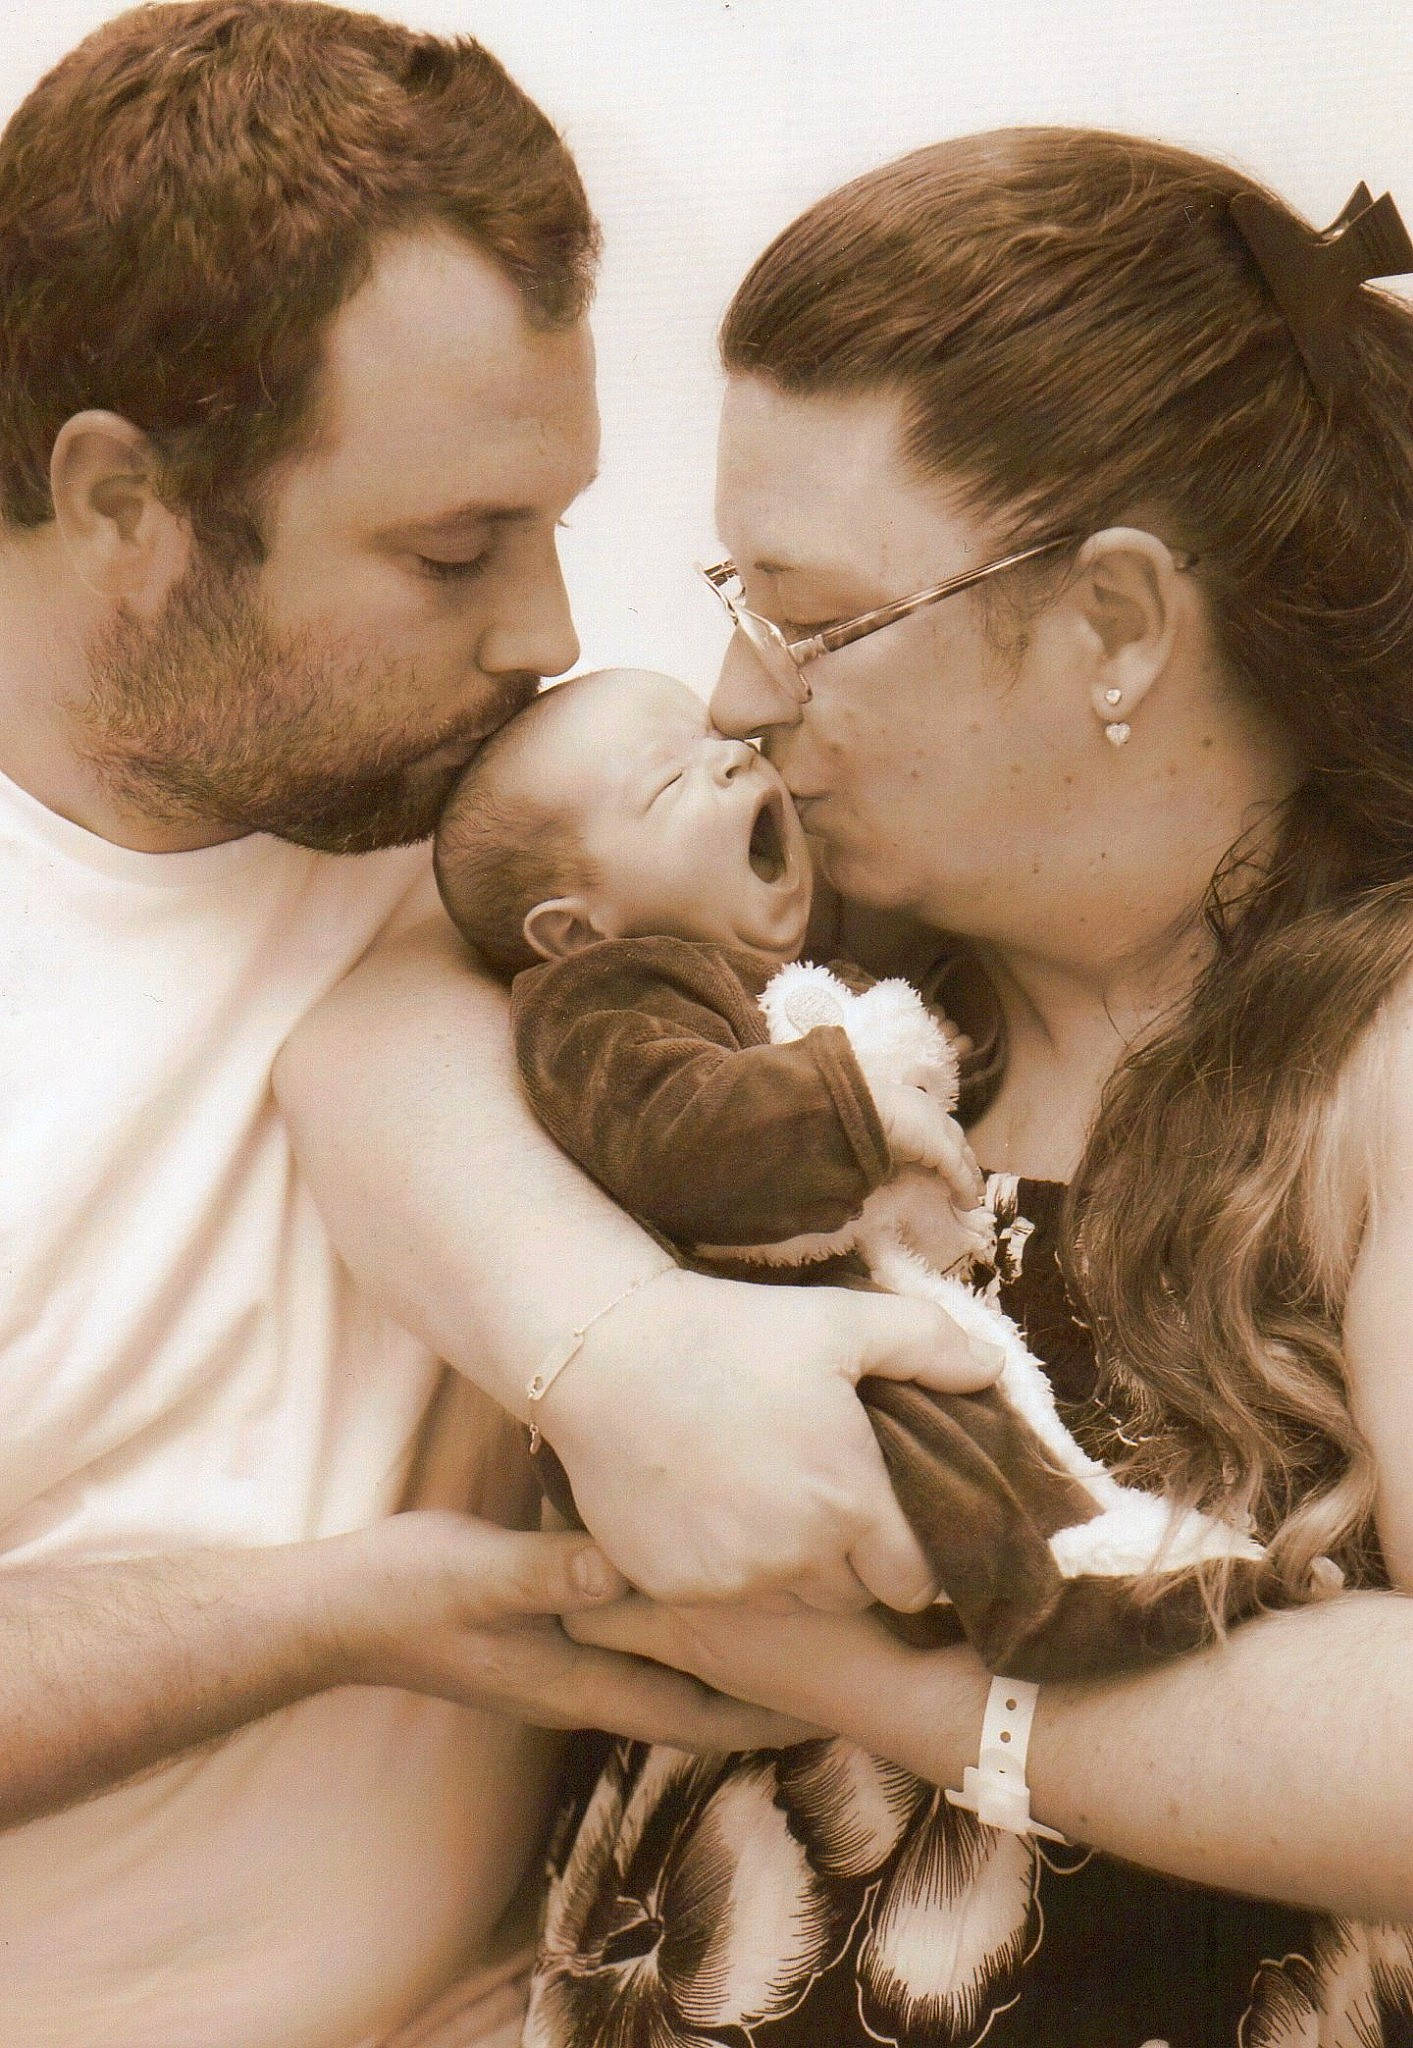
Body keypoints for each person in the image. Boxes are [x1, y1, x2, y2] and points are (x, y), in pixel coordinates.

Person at [282, 132, 1413, 2044]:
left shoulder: (1375, 1056)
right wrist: (625, 1354)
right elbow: (371, 1035)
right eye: (733, 592)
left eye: (806, 616)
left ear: (1116, 625)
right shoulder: (826, 972)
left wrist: (870, 1674)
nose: (731, 696)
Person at [0, 7, 812, 2045]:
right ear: (119, 502)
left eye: (552, 521)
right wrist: (347, 1613)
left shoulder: (521, 826)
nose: (546, 630)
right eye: (453, 549)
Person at [435, 661, 1277, 1684]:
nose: (734, 755)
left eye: (715, 741)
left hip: (846, 1296)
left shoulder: (799, 970)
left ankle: (1138, 1558)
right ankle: (1052, 1594)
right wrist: (857, 1114)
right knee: (925, 1426)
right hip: (750, 1337)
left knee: (977, 1403)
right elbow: (674, 1133)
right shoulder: (601, 1004)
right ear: (574, 927)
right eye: (670, 783)